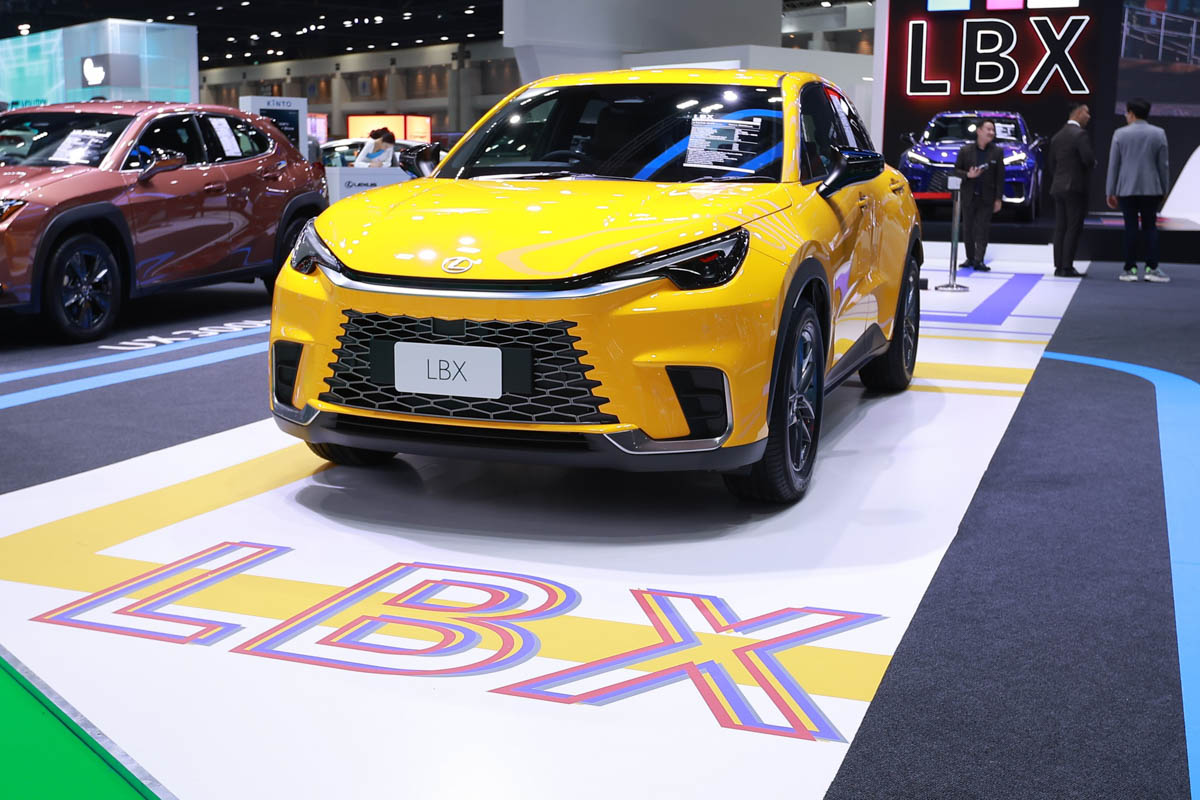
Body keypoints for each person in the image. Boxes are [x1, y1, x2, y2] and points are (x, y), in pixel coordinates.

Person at [1106, 97, 1171, 283]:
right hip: (1151, 188)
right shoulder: (1158, 133)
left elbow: (1114, 165)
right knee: (1150, 228)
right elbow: (1163, 165)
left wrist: (1110, 191)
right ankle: (1152, 268)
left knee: (1130, 228)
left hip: (1126, 189)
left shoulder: (1120, 134)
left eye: (1127, 113)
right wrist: (1165, 189)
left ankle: (1130, 269)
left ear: (1132, 113)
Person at [1047, 101, 1094, 278]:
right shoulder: (1080, 134)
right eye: (1086, 112)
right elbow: (1088, 159)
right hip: (1074, 187)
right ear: (1078, 113)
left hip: (1058, 186)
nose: (1089, 117)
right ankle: (1067, 266)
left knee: (1060, 227)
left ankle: (1059, 266)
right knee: (1073, 227)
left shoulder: (1057, 136)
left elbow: (1051, 164)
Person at [954, 118, 1005, 272]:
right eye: (988, 129)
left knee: (982, 229)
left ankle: (979, 260)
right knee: (968, 229)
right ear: (979, 131)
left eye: (993, 130)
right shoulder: (965, 150)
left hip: (987, 197)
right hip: (969, 195)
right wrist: (968, 175)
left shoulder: (997, 152)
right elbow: (955, 171)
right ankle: (970, 258)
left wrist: (998, 198)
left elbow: (1000, 177)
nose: (991, 132)